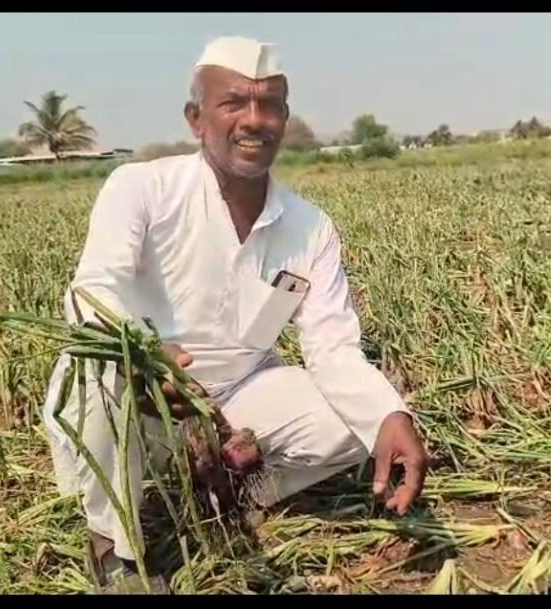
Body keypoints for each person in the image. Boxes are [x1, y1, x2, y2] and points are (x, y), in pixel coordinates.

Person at [40, 35, 429, 592]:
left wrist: (388, 415)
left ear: (284, 118)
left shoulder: (309, 228)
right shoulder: (142, 188)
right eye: (233, 103)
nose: (254, 120)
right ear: (196, 119)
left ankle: (224, 493)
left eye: (269, 105)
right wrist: (144, 357)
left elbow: (333, 347)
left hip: (237, 399)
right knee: (103, 365)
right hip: (142, 403)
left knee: (360, 415)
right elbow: (91, 293)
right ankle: (114, 545)